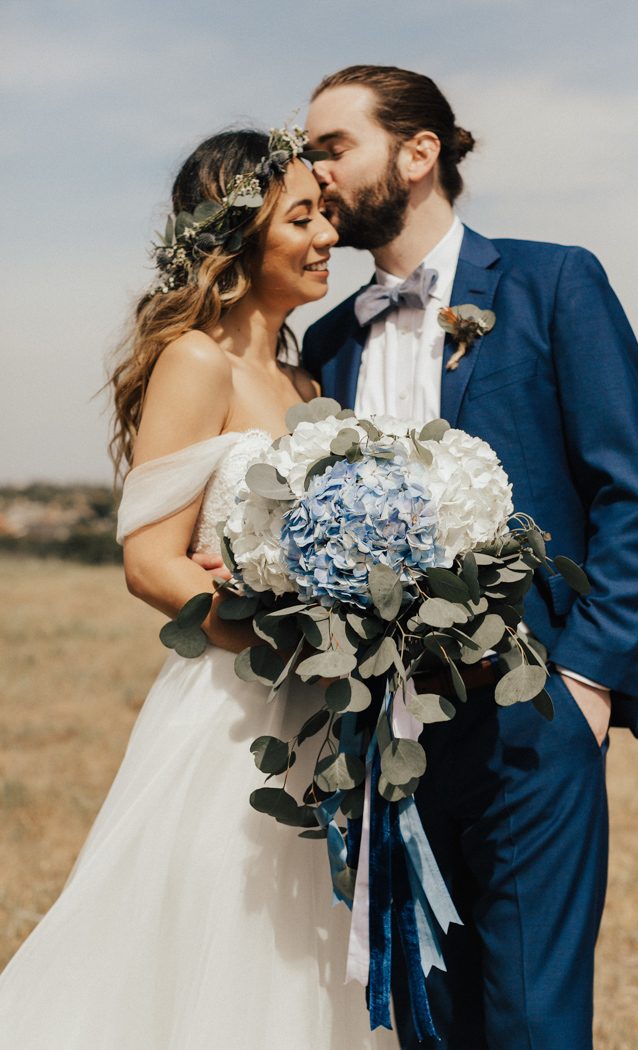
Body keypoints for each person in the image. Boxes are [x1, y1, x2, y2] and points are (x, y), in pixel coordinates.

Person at [0, 127, 396, 1049]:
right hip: (231, 711)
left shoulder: (304, 379)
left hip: (324, 711)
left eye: (326, 213)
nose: (325, 234)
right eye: (301, 216)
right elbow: (149, 558)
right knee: (222, 936)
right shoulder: (196, 362)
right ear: (236, 240)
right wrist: (273, 632)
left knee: (309, 955)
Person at [301, 65, 638, 1049]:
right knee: (429, 1018)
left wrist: (586, 683)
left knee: (533, 1022)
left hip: (534, 719)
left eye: (331, 146)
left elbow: (626, 491)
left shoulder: (555, 283)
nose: (310, 172)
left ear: (417, 155)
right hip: (389, 740)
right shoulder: (328, 341)